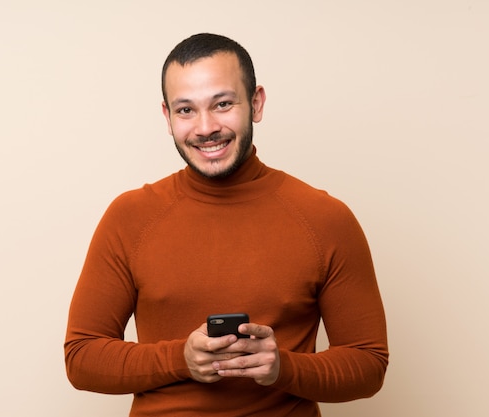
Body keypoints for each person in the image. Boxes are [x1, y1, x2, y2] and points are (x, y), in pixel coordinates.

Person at [65, 33, 388, 416]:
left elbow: (369, 365)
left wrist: (283, 367)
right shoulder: (130, 216)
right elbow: (81, 358)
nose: (205, 128)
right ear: (168, 117)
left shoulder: (325, 218)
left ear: (256, 103)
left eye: (222, 104)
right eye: (186, 110)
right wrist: (181, 359)